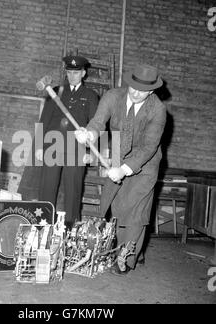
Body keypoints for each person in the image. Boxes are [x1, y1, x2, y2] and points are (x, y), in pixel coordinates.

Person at [75, 63, 166, 274]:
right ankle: (136, 251)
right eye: (133, 87)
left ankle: (125, 259)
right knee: (115, 207)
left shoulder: (158, 110)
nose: (135, 93)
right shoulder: (112, 96)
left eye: (142, 91)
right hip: (117, 154)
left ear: (151, 91)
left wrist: (125, 169)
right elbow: (98, 121)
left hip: (145, 164)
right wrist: (89, 134)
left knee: (135, 211)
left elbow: (148, 147)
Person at [35, 55, 99, 229]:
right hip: (52, 147)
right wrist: (39, 147)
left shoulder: (91, 96)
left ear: (83, 73)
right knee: (47, 188)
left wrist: (91, 153)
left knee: (73, 191)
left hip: (76, 149)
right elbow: (44, 120)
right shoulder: (55, 91)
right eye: (69, 72)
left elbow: (96, 125)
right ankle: (43, 226)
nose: (72, 76)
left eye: (76, 73)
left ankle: (71, 230)